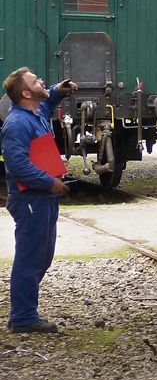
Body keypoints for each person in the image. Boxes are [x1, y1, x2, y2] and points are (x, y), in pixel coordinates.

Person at [2, 68, 76, 334]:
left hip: (41, 197)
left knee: (40, 257)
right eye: (36, 81)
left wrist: (57, 91)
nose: (41, 81)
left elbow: (45, 106)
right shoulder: (18, 124)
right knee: (30, 257)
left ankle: (24, 313)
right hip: (30, 198)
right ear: (25, 93)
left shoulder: (33, 114)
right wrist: (50, 182)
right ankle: (22, 317)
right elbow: (17, 165)